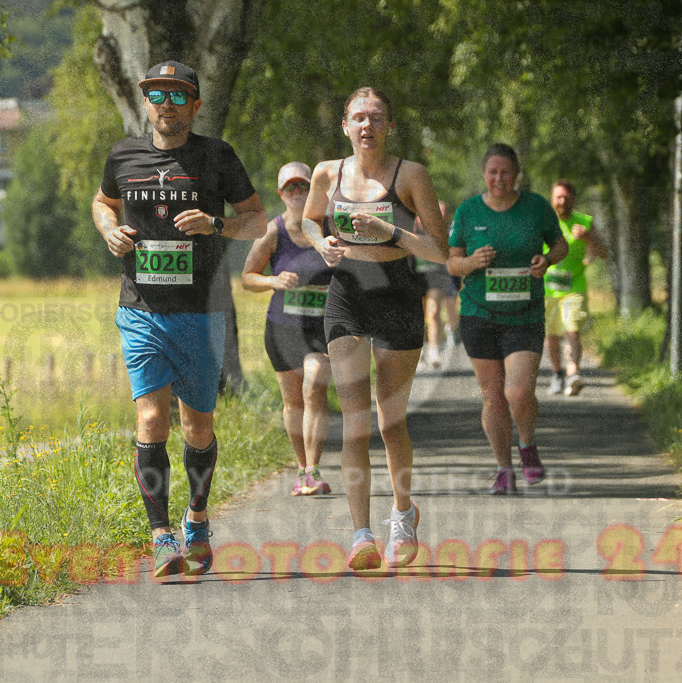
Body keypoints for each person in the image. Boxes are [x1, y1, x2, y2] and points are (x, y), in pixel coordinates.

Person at [92, 61, 266, 580]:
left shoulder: (217, 156)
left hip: (202, 310)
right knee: (151, 419)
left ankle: (198, 517)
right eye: (156, 94)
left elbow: (257, 219)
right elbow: (104, 202)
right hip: (140, 308)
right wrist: (109, 230)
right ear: (146, 103)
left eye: (176, 94)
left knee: (197, 424)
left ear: (194, 104)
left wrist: (216, 223)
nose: (165, 103)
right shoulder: (124, 154)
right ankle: (161, 537)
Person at [302, 87, 448, 570]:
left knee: (390, 423)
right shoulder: (327, 173)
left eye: (376, 118)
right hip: (346, 295)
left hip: (398, 296)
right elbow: (308, 221)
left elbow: (438, 250)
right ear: (345, 126)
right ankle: (361, 534)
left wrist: (391, 233)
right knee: (356, 424)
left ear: (389, 126)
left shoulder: (411, 175)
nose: (367, 126)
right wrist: (321, 240)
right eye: (358, 118)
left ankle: (402, 516)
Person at [446, 144, 568, 495]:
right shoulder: (468, 211)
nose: (499, 178)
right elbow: (452, 263)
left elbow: (561, 246)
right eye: (492, 172)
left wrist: (547, 261)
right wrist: (472, 262)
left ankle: (527, 446)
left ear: (517, 174)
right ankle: (503, 468)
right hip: (478, 313)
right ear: (484, 174)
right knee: (493, 397)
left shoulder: (536, 207)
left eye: (506, 172)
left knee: (517, 391)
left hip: (524, 313)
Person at [241, 161, 334, 496]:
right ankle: (301, 470)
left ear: (314, 190)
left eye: (303, 186)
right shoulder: (273, 231)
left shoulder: (329, 227)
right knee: (293, 402)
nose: (297, 192)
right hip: (282, 328)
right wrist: (273, 280)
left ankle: (314, 468)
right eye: (290, 187)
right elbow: (247, 278)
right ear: (281, 193)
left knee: (315, 384)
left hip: (321, 328)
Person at [544, 179, 608, 396]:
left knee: (572, 329)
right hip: (546, 289)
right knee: (551, 335)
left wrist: (589, 238)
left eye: (566, 197)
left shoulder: (585, 222)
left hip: (574, 286)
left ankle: (573, 375)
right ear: (552, 199)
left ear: (574, 199)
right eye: (558, 197)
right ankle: (557, 375)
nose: (562, 201)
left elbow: (604, 253)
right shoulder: (544, 221)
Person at [415, 200, 460, 368]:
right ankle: (419, 352)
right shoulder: (413, 228)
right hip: (416, 276)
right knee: (418, 316)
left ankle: (434, 351)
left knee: (433, 312)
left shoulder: (443, 231)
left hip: (436, 276)